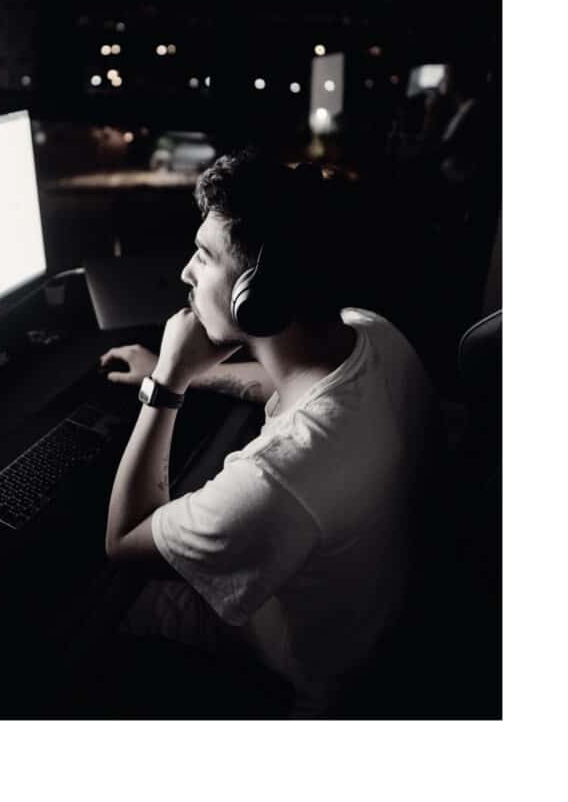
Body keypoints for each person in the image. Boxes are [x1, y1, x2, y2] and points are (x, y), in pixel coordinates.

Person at [100, 151, 434, 717]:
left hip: (306, 680)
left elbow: (124, 542)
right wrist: (190, 369)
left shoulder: (275, 478)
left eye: (205, 256)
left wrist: (168, 383)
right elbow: (289, 381)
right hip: (379, 620)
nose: (186, 272)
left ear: (253, 297)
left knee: (107, 615)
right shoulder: (375, 334)